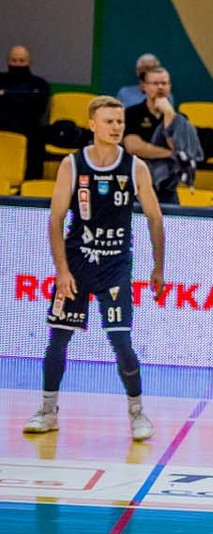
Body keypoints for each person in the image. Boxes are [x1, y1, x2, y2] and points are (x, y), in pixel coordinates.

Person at [21, 96, 165, 441]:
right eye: (109, 121)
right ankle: (47, 410)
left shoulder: (135, 167)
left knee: (121, 340)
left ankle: (137, 412)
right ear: (92, 125)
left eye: (120, 122)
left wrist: (158, 267)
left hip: (115, 264)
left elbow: (155, 219)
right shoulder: (72, 164)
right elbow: (55, 220)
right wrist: (62, 270)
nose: (116, 127)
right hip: (77, 264)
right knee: (58, 339)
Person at [122, 65, 188, 205]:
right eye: (155, 83)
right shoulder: (131, 113)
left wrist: (168, 115)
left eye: (164, 83)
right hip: (137, 182)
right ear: (144, 86)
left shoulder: (180, 118)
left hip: (167, 185)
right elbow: (133, 147)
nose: (160, 87)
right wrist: (170, 153)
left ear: (169, 87)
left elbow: (179, 147)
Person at [0, 45, 52, 179]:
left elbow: (40, 104)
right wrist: (24, 97)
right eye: (14, 61)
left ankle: (31, 183)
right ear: (7, 61)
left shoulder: (40, 84)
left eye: (21, 61)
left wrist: (5, 94)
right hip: (2, 126)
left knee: (38, 139)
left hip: (30, 129)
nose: (17, 64)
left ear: (29, 62)